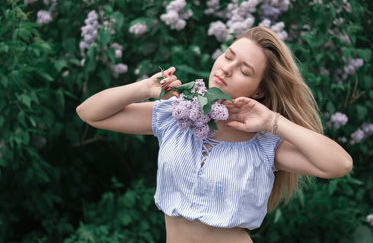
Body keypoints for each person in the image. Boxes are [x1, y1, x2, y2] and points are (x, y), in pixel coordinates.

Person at [76, 26, 353, 243]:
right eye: (228, 56)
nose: (226, 68)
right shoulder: (177, 115)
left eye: (244, 70)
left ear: (259, 91)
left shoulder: (264, 144)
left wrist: (272, 121)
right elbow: (89, 113)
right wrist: (145, 89)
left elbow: (339, 165)